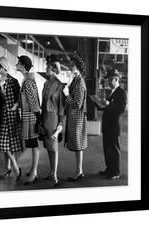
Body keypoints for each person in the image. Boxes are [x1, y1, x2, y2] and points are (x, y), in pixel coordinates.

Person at [0, 57, 22, 181]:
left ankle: (15, 167)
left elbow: (20, 99)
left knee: (7, 143)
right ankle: (8, 167)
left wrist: (15, 106)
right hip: (3, 116)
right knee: (4, 143)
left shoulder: (13, 81)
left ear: (2, 67)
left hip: (12, 116)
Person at [96, 70, 127, 179]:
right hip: (107, 125)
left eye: (110, 80)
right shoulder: (113, 92)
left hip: (114, 126)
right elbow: (106, 107)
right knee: (107, 148)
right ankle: (109, 169)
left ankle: (116, 172)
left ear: (116, 80)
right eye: (108, 80)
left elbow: (121, 109)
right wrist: (99, 103)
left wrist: (108, 104)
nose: (108, 82)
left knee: (114, 149)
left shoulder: (121, 92)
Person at [62, 53, 88, 182]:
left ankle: (79, 171)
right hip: (75, 118)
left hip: (77, 118)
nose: (70, 67)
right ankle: (79, 170)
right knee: (78, 146)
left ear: (77, 67)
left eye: (72, 65)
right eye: (70, 65)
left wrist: (67, 95)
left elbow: (77, 104)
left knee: (78, 145)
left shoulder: (80, 83)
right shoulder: (76, 80)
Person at [16, 55, 41, 185]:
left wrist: (38, 119)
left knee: (33, 144)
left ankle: (34, 172)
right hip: (30, 115)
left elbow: (33, 101)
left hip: (31, 116)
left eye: (18, 63)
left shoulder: (27, 81)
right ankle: (33, 169)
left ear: (23, 66)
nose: (16, 65)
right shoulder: (27, 79)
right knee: (32, 144)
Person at [40, 59, 65, 187]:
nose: (46, 69)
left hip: (53, 118)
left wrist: (60, 123)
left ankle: (54, 174)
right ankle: (51, 171)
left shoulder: (60, 86)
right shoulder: (45, 84)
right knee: (48, 147)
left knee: (54, 148)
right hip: (44, 117)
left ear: (54, 70)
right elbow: (42, 102)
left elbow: (61, 106)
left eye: (48, 67)